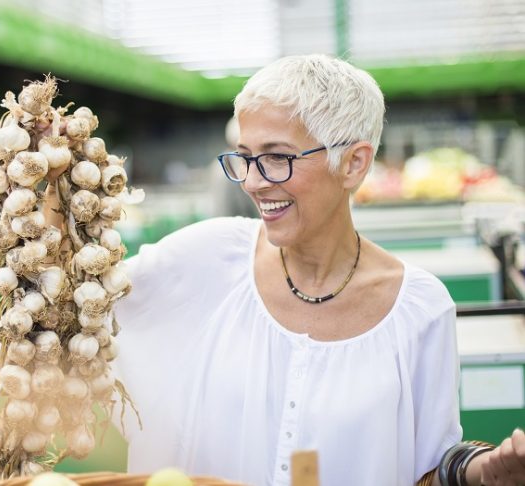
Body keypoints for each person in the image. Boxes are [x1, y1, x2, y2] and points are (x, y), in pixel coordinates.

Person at [42, 55, 525, 485]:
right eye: (245, 157)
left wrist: (482, 471)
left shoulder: (420, 310)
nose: (252, 182)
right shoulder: (206, 259)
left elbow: (430, 468)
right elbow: (69, 299)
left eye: (276, 157)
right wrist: (52, 184)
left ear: (353, 164)